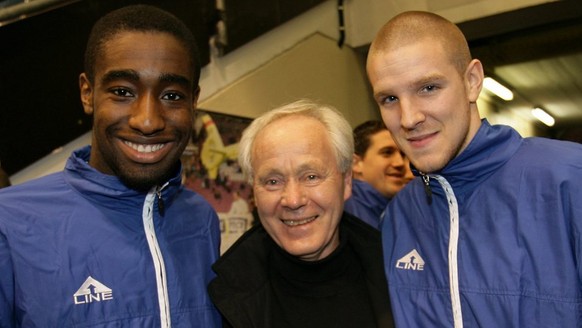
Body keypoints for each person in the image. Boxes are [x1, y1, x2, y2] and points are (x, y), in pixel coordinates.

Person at [0, 5, 221, 327]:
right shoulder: (10, 221)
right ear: (88, 93)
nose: (147, 121)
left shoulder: (201, 218)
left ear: (194, 100)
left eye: (172, 96)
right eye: (122, 92)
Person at [366, 11, 582, 327]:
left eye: (428, 88)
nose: (409, 117)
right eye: (389, 98)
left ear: (472, 81)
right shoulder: (397, 218)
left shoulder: (569, 178)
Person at [208, 99, 394, 328]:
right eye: (273, 181)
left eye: (311, 176)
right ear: (254, 193)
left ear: (346, 182)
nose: (293, 200)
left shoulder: (400, 278)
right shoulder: (220, 300)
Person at [344, 120, 411, 229]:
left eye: (402, 154)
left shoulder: (406, 210)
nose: (400, 163)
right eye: (387, 152)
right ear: (355, 163)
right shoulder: (343, 214)